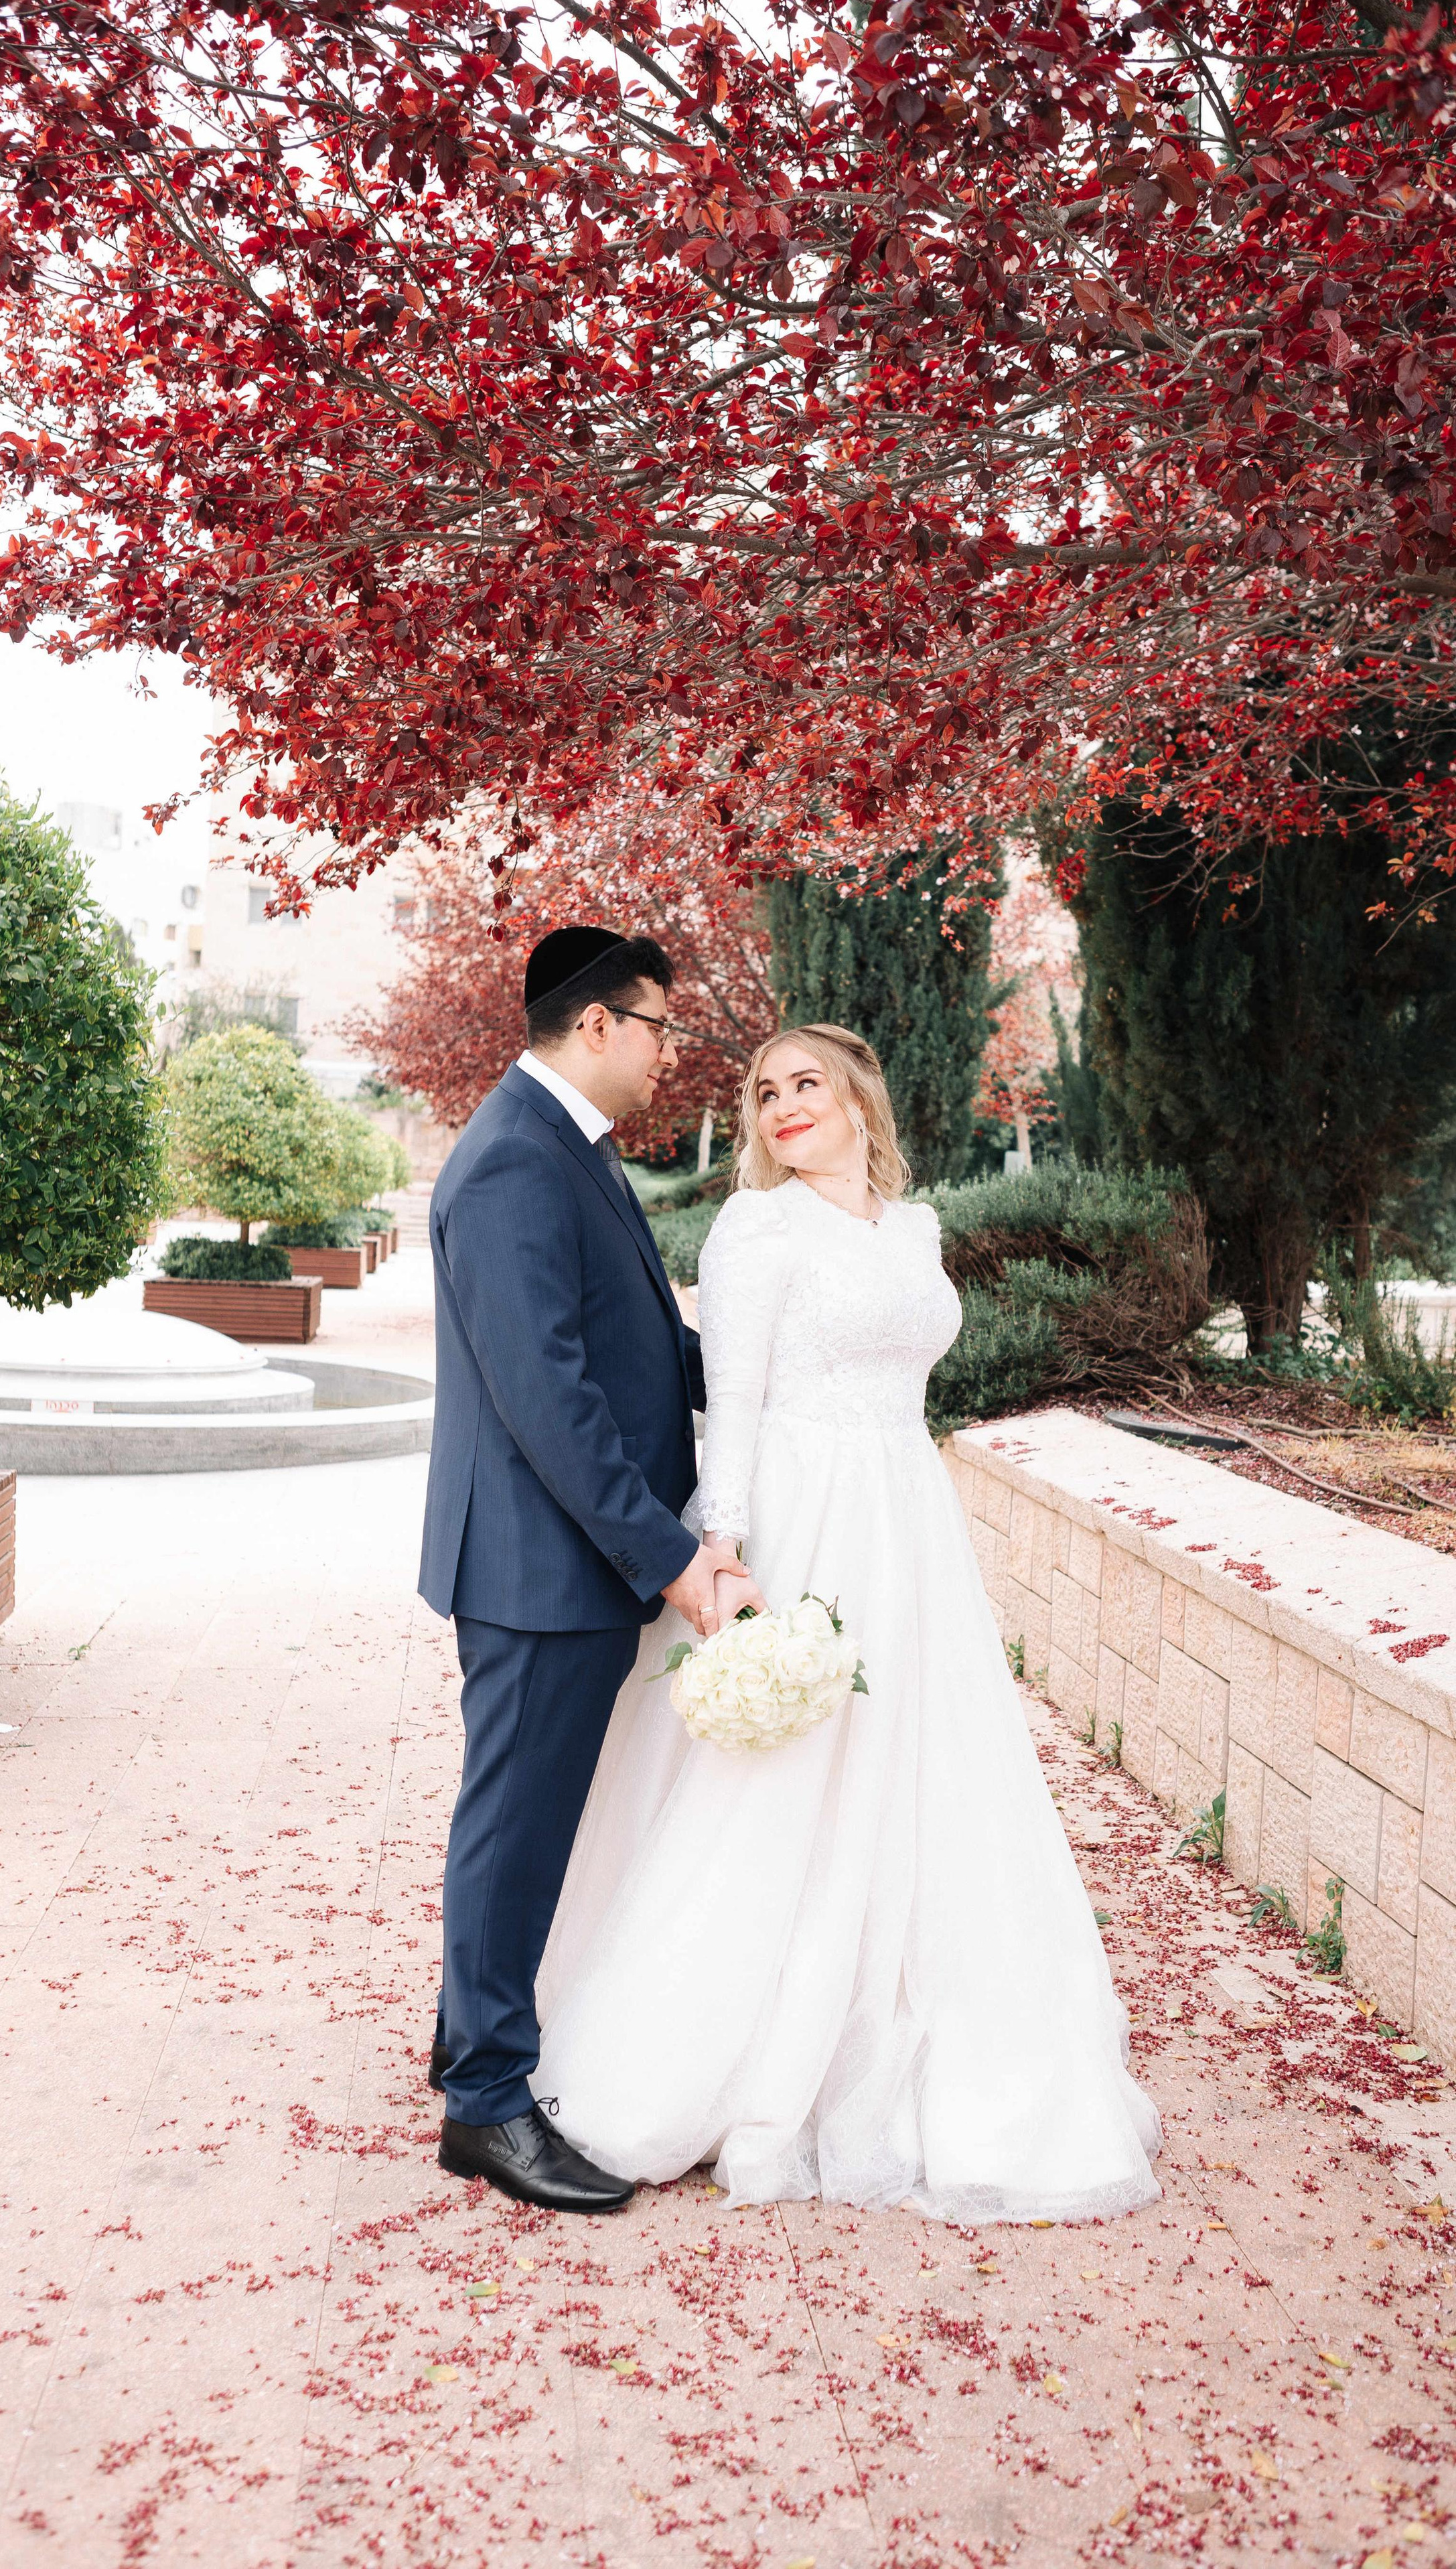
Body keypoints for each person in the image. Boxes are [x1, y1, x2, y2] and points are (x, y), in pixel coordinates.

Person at [531, 1024, 1163, 2225]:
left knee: (922, 1763)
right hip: (805, 1515)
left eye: (805, 1084)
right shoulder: (758, 1230)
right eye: (765, 1093)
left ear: (862, 1096)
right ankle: (719, 2046)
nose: (781, 1107)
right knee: (781, 1772)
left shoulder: (915, 1231)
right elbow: (742, 1402)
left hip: (910, 1518)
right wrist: (720, 1549)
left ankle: (926, 2020)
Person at [419, 926, 760, 2213]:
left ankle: (470, 2039)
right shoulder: (514, 1160)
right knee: (513, 1824)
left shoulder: (568, 1148)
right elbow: (551, 1403)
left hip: (558, 1561)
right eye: (662, 1027)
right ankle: (489, 2106)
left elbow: (635, 1348)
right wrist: (673, 1560)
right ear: (598, 1026)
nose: (673, 1053)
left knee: (525, 1819)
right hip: (537, 1564)